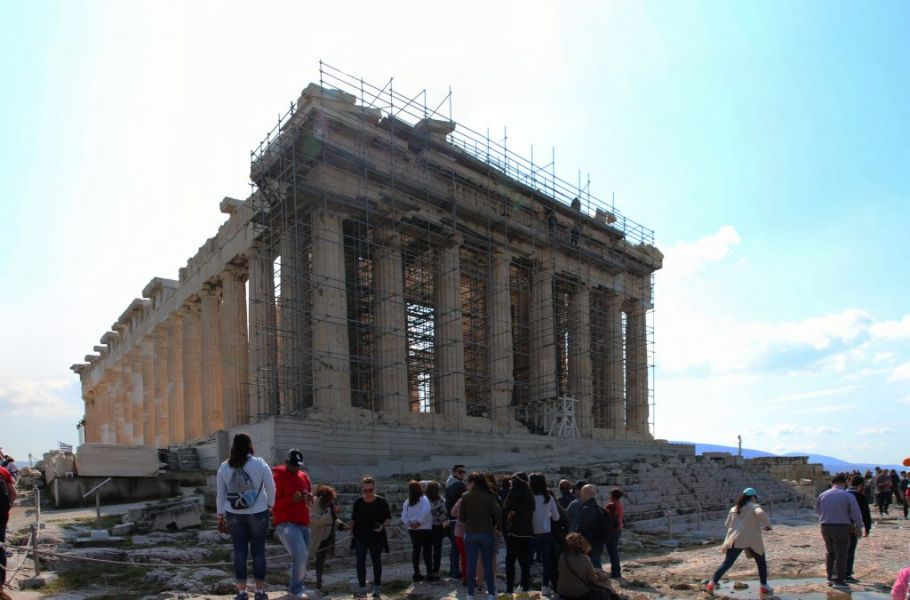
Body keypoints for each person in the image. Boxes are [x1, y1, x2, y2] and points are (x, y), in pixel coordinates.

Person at [215, 433, 276, 600]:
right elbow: (271, 486)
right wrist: (270, 505)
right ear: (250, 446)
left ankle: (242, 593)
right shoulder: (260, 463)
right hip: (259, 512)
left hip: (234, 514)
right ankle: (260, 592)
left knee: (239, 552)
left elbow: (220, 493)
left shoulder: (224, 466)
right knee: (258, 552)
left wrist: (220, 515)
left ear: (233, 447)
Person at [705, 488, 773, 596]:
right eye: (755, 497)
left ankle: (711, 583)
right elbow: (760, 513)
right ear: (752, 497)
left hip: (735, 539)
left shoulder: (734, 508)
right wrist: (768, 525)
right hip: (751, 539)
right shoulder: (754, 506)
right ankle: (763, 586)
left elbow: (727, 525)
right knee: (761, 563)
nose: (756, 499)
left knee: (727, 563)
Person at [272, 449, 313, 600]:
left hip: (303, 523)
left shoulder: (304, 476)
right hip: (286, 524)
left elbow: (308, 495)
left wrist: (309, 498)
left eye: (299, 465)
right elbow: (273, 504)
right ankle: (296, 590)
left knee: (303, 557)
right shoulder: (277, 477)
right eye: (294, 465)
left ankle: (298, 588)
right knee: (300, 554)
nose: (296, 468)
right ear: (286, 462)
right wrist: (291, 499)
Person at [816, 473, 864, 591]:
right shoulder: (847, 495)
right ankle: (839, 580)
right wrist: (859, 527)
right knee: (841, 554)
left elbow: (817, 510)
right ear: (845, 483)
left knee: (830, 552)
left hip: (825, 526)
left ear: (832, 483)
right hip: (841, 527)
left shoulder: (823, 494)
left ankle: (829, 577)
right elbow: (856, 513)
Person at [458, 471, 502, 600]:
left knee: (471, 563)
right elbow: (498, 514)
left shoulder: (465, 496)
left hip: (470, 533)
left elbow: (461, 518)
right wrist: (498, 526)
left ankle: (470, 594)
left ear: (472, 482)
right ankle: (491, 594)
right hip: (486, 532)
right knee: (488, 563)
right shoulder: (490, 496)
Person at [350, 476, 391, 599]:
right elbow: (353, 519)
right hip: (360, 536)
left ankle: (377, 588)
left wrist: (382, 526)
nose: (367, 493)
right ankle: (362, 589)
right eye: (365, 490)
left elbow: (388, 518)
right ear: (362, 489)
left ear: (374, 489)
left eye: (370, 490)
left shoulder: (381, 501)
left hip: (376, 537)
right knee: (360, 562)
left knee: (376, 562)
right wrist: (350, 531)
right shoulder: (358, 502)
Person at [557, 533, 621, 600]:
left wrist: (596, 570)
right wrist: (609, 588)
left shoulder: (562, 556)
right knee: (603, 580)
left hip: (562, 592)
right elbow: (594, 582)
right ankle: (614, 596)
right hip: (579, 594)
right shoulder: (584, 558)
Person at [503, 472, 534, 595]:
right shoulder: (529, 494)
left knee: (510, 562)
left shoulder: (514, 493)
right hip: (527, 532)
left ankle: (509, 590)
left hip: (515, 531)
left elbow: (506, 509)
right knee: (524, 563)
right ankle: (525, 589)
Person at [530, 473, 561, 596]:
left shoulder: (529, 498)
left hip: (531, 533)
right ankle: (545, 585)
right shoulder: (549, 498)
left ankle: (524, 585)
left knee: (527, 560)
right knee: (547, 561)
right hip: (546, 533)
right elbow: (556, 517)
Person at [309, 484, 344, 593]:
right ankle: (306, 585)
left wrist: (341, 525)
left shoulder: (329, 504)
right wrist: (329, 514)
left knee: (321, 561)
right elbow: (316, 520)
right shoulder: (314, 503)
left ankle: (319, 586)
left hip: (327, 537)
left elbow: (334, 518)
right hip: (316, 536)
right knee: (313, 560)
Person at [402, 480, 433, 582]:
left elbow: (404, 515)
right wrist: (419, 522)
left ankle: (416, 573)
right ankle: (429, 573)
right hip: (424, 528)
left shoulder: (407, 502)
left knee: (416, 550)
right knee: (427, 550)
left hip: (413, 529)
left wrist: (409, 523)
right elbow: (426, 510)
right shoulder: (424, 499)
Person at [846, 474, 872, 583]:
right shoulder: (860, 497)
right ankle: (847, 573)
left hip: (838, 525)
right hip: (852, 526)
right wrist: (867, 528)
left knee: (838, 549)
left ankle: (836, 571)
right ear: (861, 485)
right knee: (850, 550)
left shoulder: (843, 494)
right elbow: (865, 514)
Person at [445, 464, 468, 579]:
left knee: (455, 547)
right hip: (460, 520)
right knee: (461, 547)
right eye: (460, 472)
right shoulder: (459, 485)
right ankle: (462, 571)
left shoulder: (448, 484)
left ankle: (454, 570)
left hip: (452, 519)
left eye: (464, 472)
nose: (462, 474)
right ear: (454, 472)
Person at [577, 484, 607, 569]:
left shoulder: (587, 508)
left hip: (590, 543)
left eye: (581, 493)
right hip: (598, 541)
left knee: (593, 566)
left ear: (585, 494)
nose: (580, 496)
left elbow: (585, 528)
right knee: (596, 564)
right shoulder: (598, 508)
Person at [425, 481, 447, 581]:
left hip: (426, 527)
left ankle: (429, 571)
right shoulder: (442, 501)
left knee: (427, 550)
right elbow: (444, 515)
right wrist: (438, 520)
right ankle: (436, 570)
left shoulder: (424, 501)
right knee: (437, 550)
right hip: (438, 527)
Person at [1, 462, 18, 590]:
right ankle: (1, 583)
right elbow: (14, 494)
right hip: (1, 515)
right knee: (0, 547)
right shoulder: (3, 471)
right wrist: (8, 507)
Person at [604, 488, 625, 579]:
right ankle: (616, 572)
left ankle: (615, 573)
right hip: (618, 529)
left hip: (612, 531)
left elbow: (606, 517)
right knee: (614, 551)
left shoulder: (611, 505)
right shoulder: (619, 504)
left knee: (612, 552)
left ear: (612, 495)